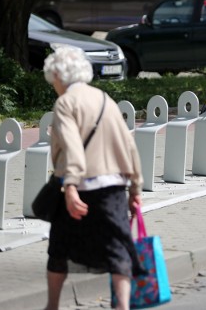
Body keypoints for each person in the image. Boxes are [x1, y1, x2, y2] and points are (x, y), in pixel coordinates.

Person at [42, 45, 143, 310]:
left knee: (59, 249)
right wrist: (135, 188)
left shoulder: (65, 102)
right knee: (118, 248)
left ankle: (52, 306)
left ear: (59, 77)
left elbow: (73, 146)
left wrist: (71, 186)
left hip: (81, 187)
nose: (53, 85)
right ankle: (122, 305)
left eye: (52, 79)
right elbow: (128, 144)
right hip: (113, 187)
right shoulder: (104, 99)